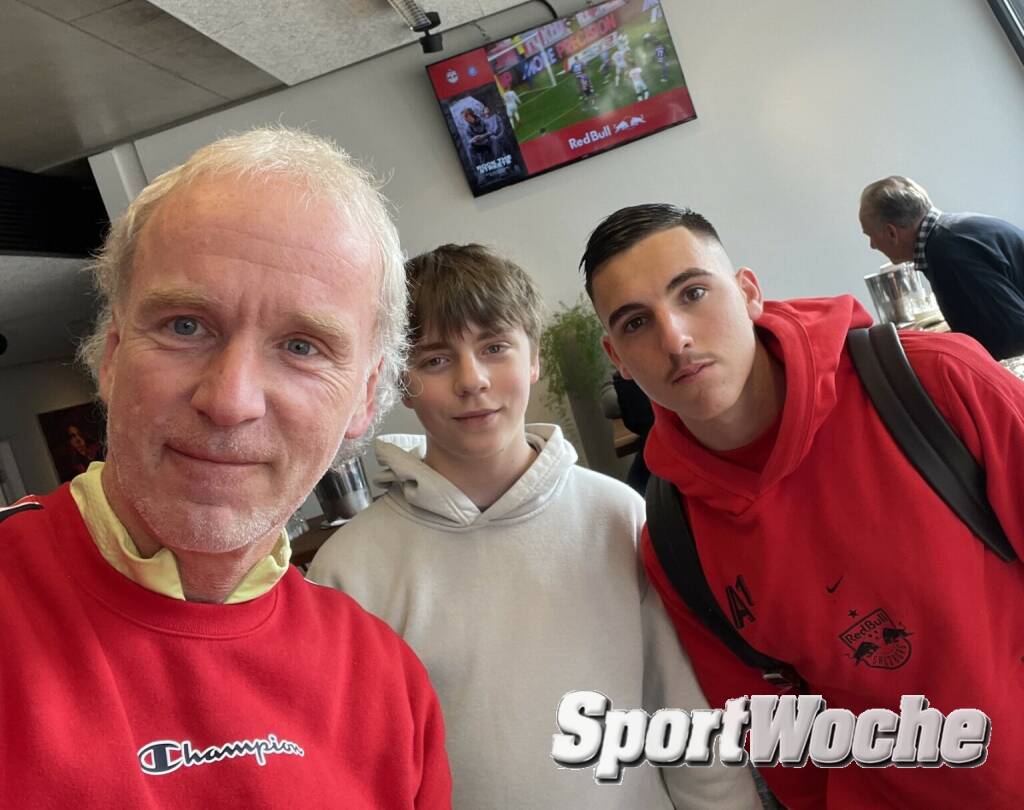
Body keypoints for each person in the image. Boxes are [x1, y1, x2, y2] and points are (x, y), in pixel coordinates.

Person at [0, 127, 451, 808]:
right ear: (113, 353)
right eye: (186, 325)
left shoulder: (387, 683)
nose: (230, 401)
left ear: (364, 396)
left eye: (302, 345)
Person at [582, 203, 1024, 809]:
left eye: (692, 293)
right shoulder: (671, 532)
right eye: (636, 323)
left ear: (749, 294)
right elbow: (784, 743)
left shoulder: (937, 382)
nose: (675, 338)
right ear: (618, 360)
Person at [308, 244, 760, 810]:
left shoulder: (618, 515)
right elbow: (355, 770)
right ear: (400, 378)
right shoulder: (349, 571)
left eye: (495, 347)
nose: (472, 380)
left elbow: (685, 714)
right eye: (435, 360)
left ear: (534, 358)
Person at [859, 175, 1024, 360]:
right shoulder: (950, 231)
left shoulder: (947, 252)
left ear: (891, 232)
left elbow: (1010, 338)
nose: (872, 245)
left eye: (870, 235)